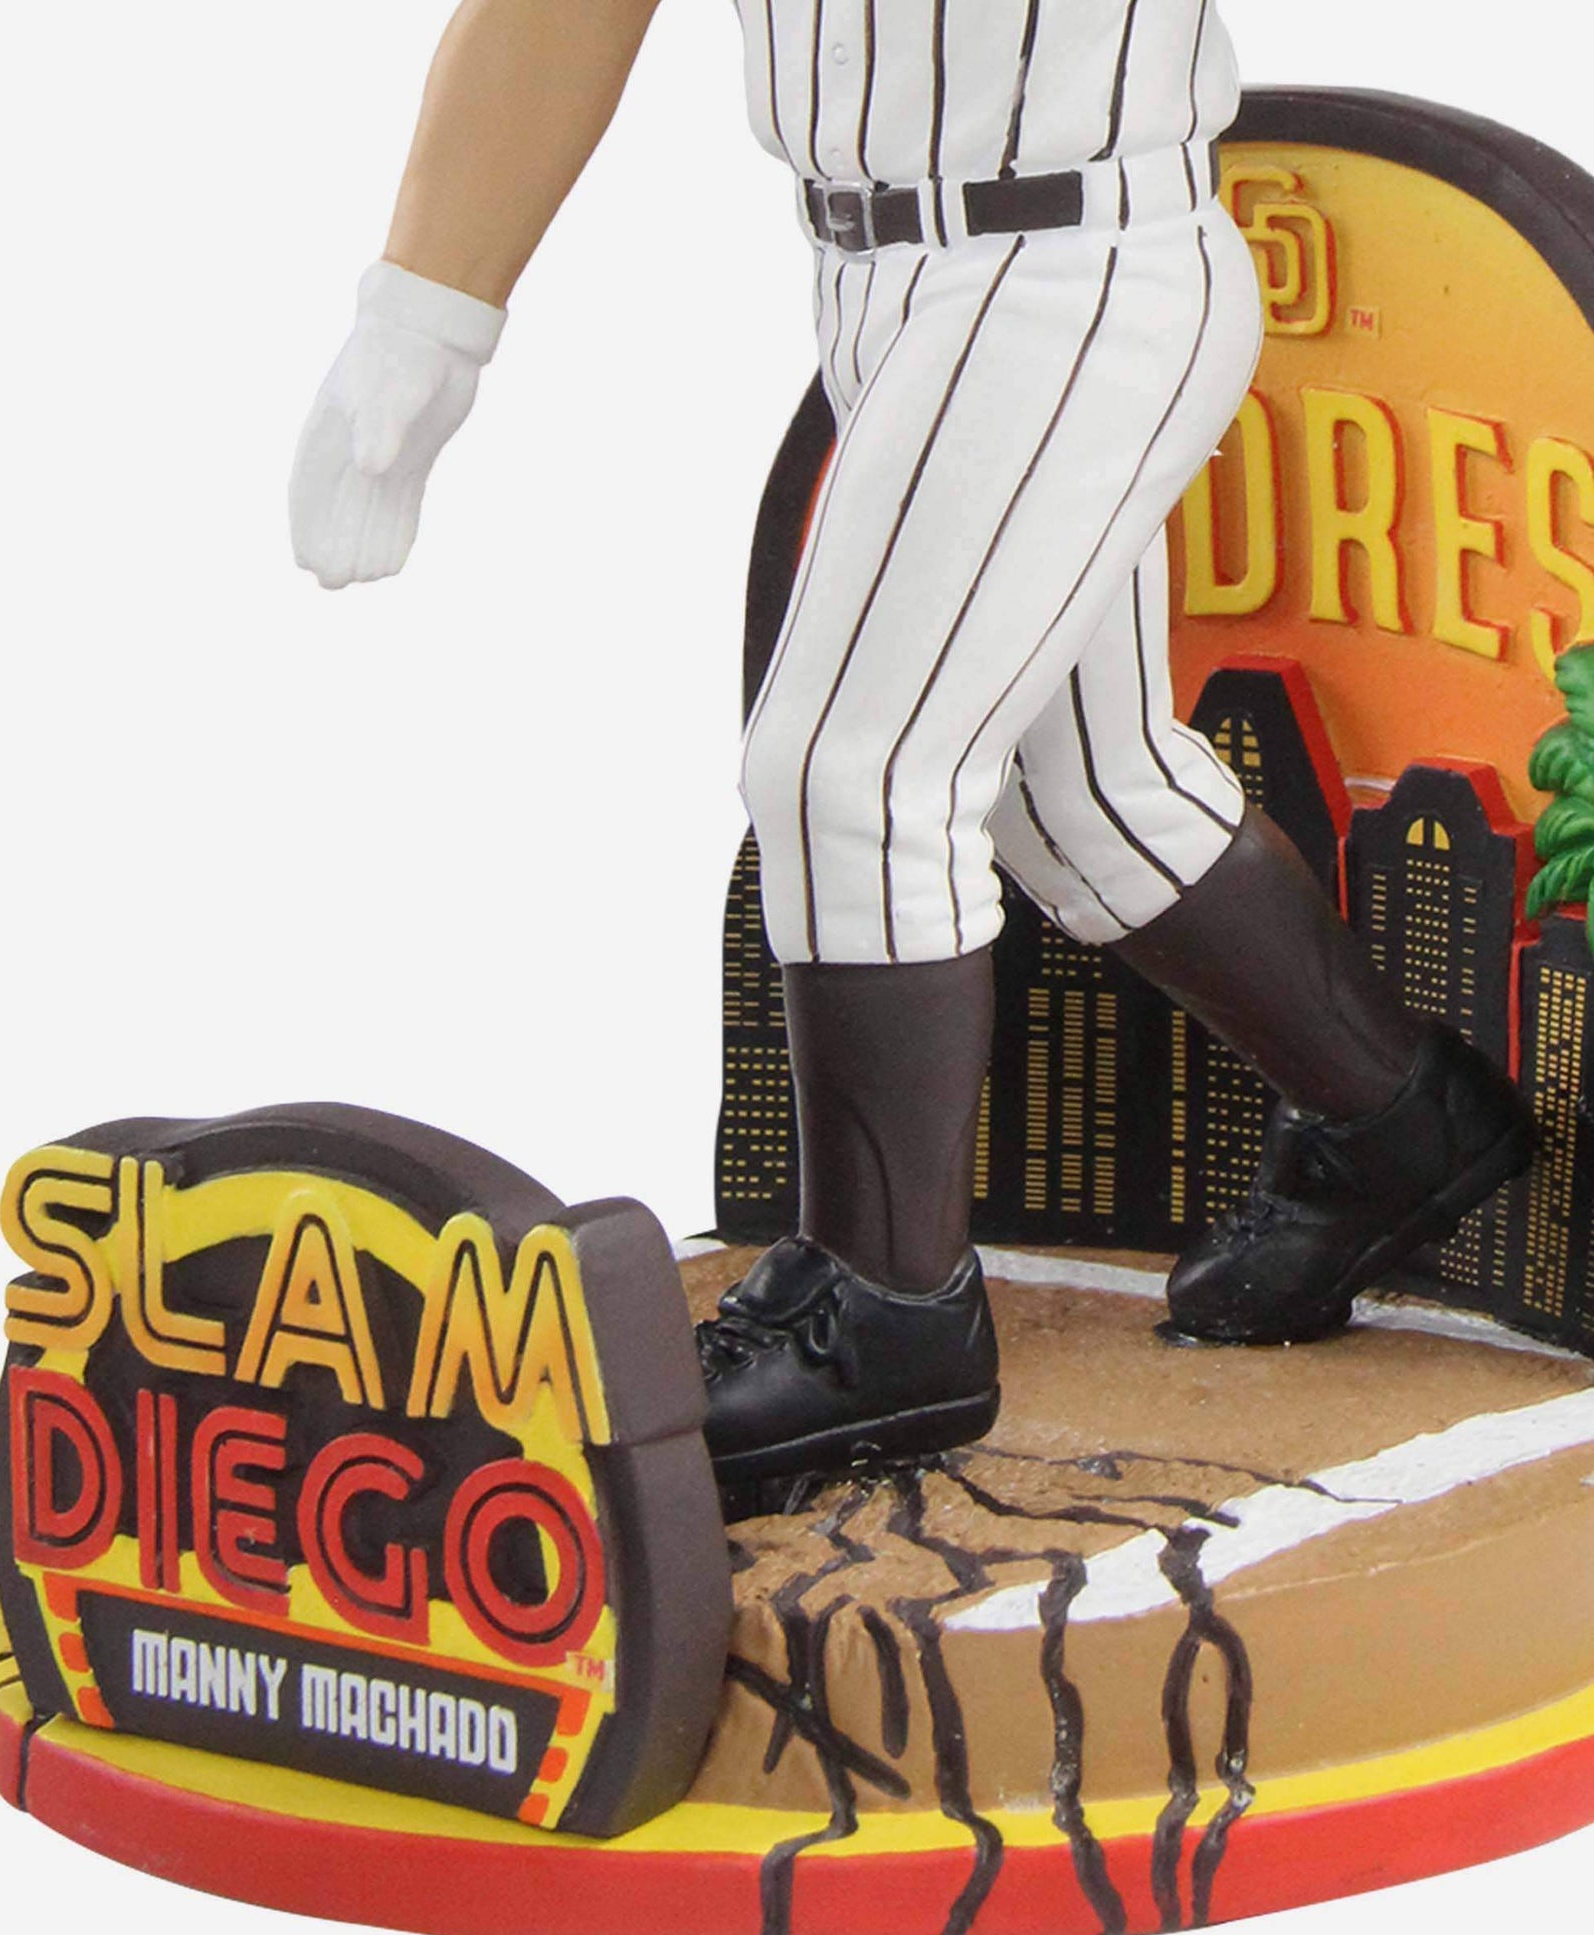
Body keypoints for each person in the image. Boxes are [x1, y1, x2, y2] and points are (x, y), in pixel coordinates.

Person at [289, 0, 1534, 1497]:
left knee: (852, 776)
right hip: (878, 280)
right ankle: (1399, 1117)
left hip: (1075, 267)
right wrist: (427, 313)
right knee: (1086, 798)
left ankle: (883, 1308)